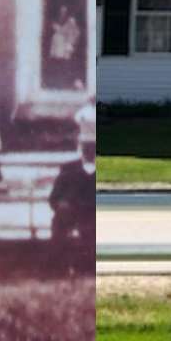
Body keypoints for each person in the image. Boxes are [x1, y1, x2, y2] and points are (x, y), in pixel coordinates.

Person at [49, 103, 96, 273]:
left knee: (92, 229)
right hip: (71, 211)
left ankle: (88, 267)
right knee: (59, 224)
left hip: (93, 212)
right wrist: (61, 204)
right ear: (81, 147)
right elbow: (54, 197)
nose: (90, 150)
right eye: (86, 146)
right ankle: (58, 268)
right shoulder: (68, 169)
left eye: (93, 146)